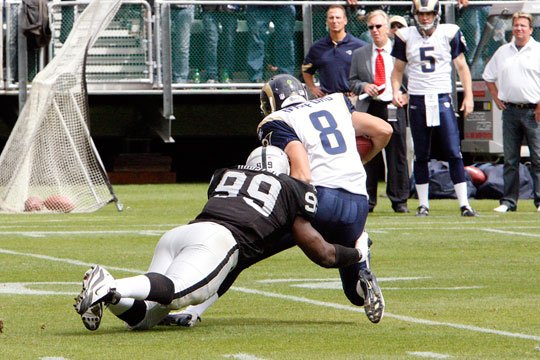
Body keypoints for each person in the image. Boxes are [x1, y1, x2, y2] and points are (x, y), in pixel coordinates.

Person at [161, 74, 392, 328]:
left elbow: (302, 173)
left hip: (319, 199)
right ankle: (360, 253)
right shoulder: (334, 102)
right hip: (357, 204)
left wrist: (285, 201)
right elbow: (384, 130)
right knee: (355, 294)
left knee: (241, 249)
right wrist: (360, 162)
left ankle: (193, 311)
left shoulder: (277, 120)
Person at [74, 145, 372, 331]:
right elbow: (323, 254)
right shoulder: (291, 188)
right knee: (177, 293)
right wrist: (357, 253)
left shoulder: (225, 174)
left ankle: (111, 295)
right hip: (218, 240)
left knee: (146, 317)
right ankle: (108, 283)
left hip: (181, 234)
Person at [390, 0, 477, 217]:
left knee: (453, 152)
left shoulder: (449, 32)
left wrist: (469, 96)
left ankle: (464, 204)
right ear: (415, 14)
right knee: (421, 154)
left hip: (441, 97)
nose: (425, 18)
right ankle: (423, 204)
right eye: (421, 13)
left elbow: (462, 67)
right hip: (417, 99)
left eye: (428, 13)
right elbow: (397, 71)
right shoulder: (405, 36)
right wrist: (395, 91)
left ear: (436, 14)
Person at [349, 10, 410, 213]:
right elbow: (352, 81)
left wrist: (405, 95)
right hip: (370, 106)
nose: (375, 31)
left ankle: (399, 200)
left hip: (394, 105)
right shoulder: (360, 53)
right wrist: (364, 86)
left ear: (388, 28)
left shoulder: (401, 52)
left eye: (378, 26)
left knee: (397, 153)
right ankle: (368, 199)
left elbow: (412, 80)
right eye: (371, 27)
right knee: (368, 151)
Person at [482, 11, 540, 213]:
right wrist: (496, 97)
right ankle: (508, 201)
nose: (519, 29)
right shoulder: (503, 51)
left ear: (530, 29)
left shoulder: (538, 51)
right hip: (510, 111)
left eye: (523, 25)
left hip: (534, 111)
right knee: (510, 159)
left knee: (538, 158)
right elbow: (488, 77)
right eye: (516, 25)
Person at [302, 5, 367, 98]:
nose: (334, 21)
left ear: (345, 20)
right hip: (327, 99)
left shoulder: (360, 46)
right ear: (327, 21)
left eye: (338, 17)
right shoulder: (317, 47)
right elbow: (306, 70)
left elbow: (370, 72)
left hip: (352, 99)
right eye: (331, 18)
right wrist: (312, 88)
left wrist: (361, 88)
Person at [245, 4, 296, 83]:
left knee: (286, 42)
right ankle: (256, 77)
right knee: (256, 41)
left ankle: (286, 77)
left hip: (284, 5)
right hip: (258, 5)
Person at [201, 4, 241, 83]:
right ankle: (211, 76)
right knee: (211, 42)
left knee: (229, 42)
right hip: (209, 8)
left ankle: (227, 76)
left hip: (230, 9)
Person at [171, 5, 194, 83]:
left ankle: (181, 79)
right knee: (160, 45)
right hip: (162, 6)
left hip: (185, 7)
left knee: (182, 47)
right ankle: (159, 77)